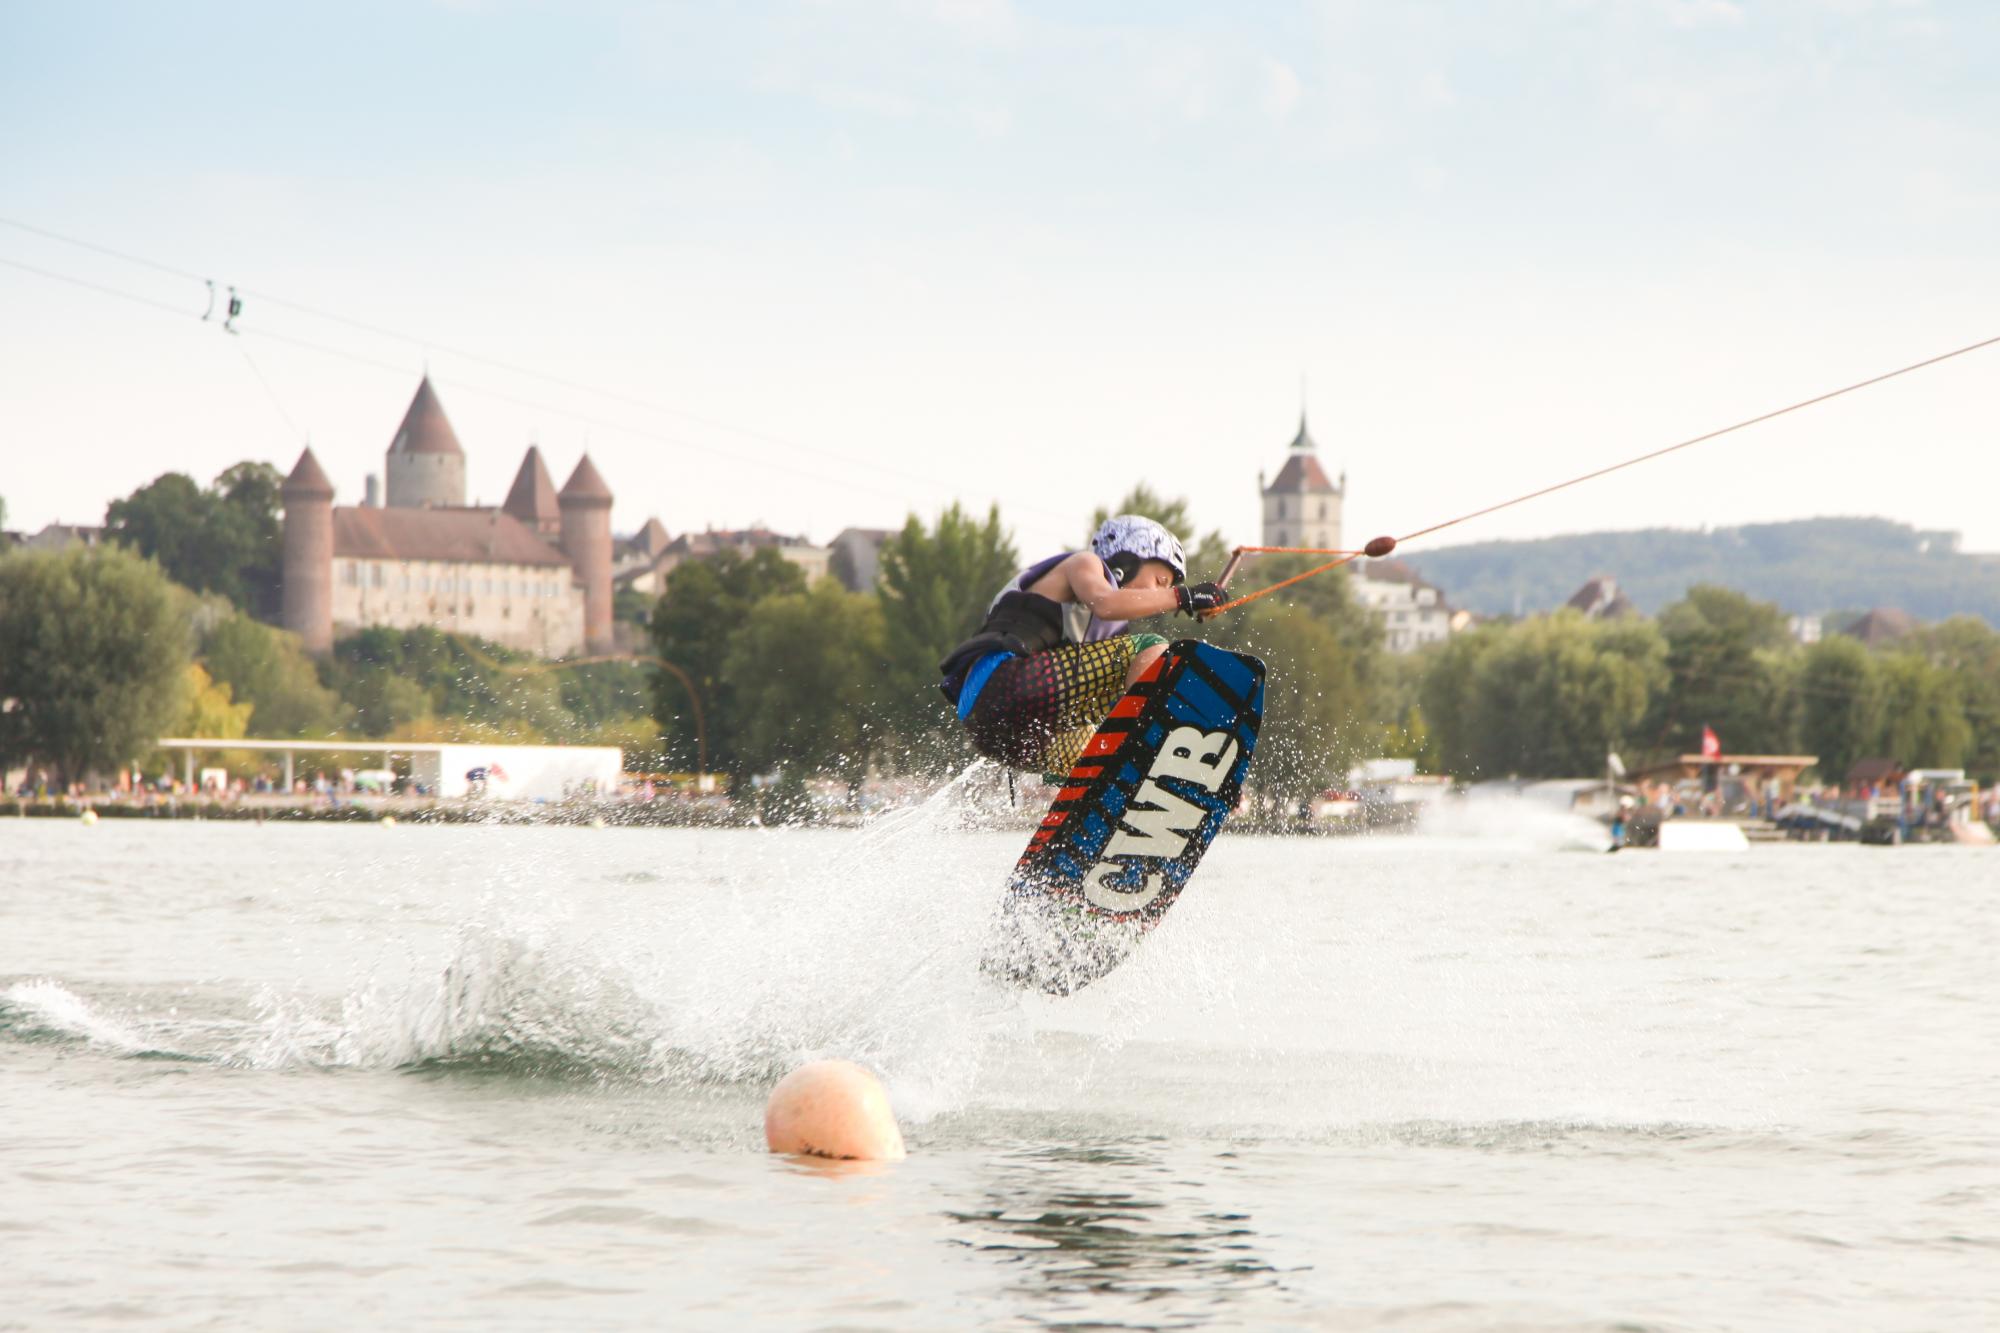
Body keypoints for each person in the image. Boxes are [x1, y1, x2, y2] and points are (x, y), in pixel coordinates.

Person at [938, 514, 1226, 778]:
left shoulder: (1101, 639)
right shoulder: (1084, 564)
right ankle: (1159, 747)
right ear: (1127, 562)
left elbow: (1114, 706)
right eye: (1159, 581)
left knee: (1100, 765)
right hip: (1008, 683)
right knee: (1153, 648)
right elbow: (1105, 603)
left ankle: (1098, 809)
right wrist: (1182, 596)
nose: (1160, 595)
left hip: (989, 727)